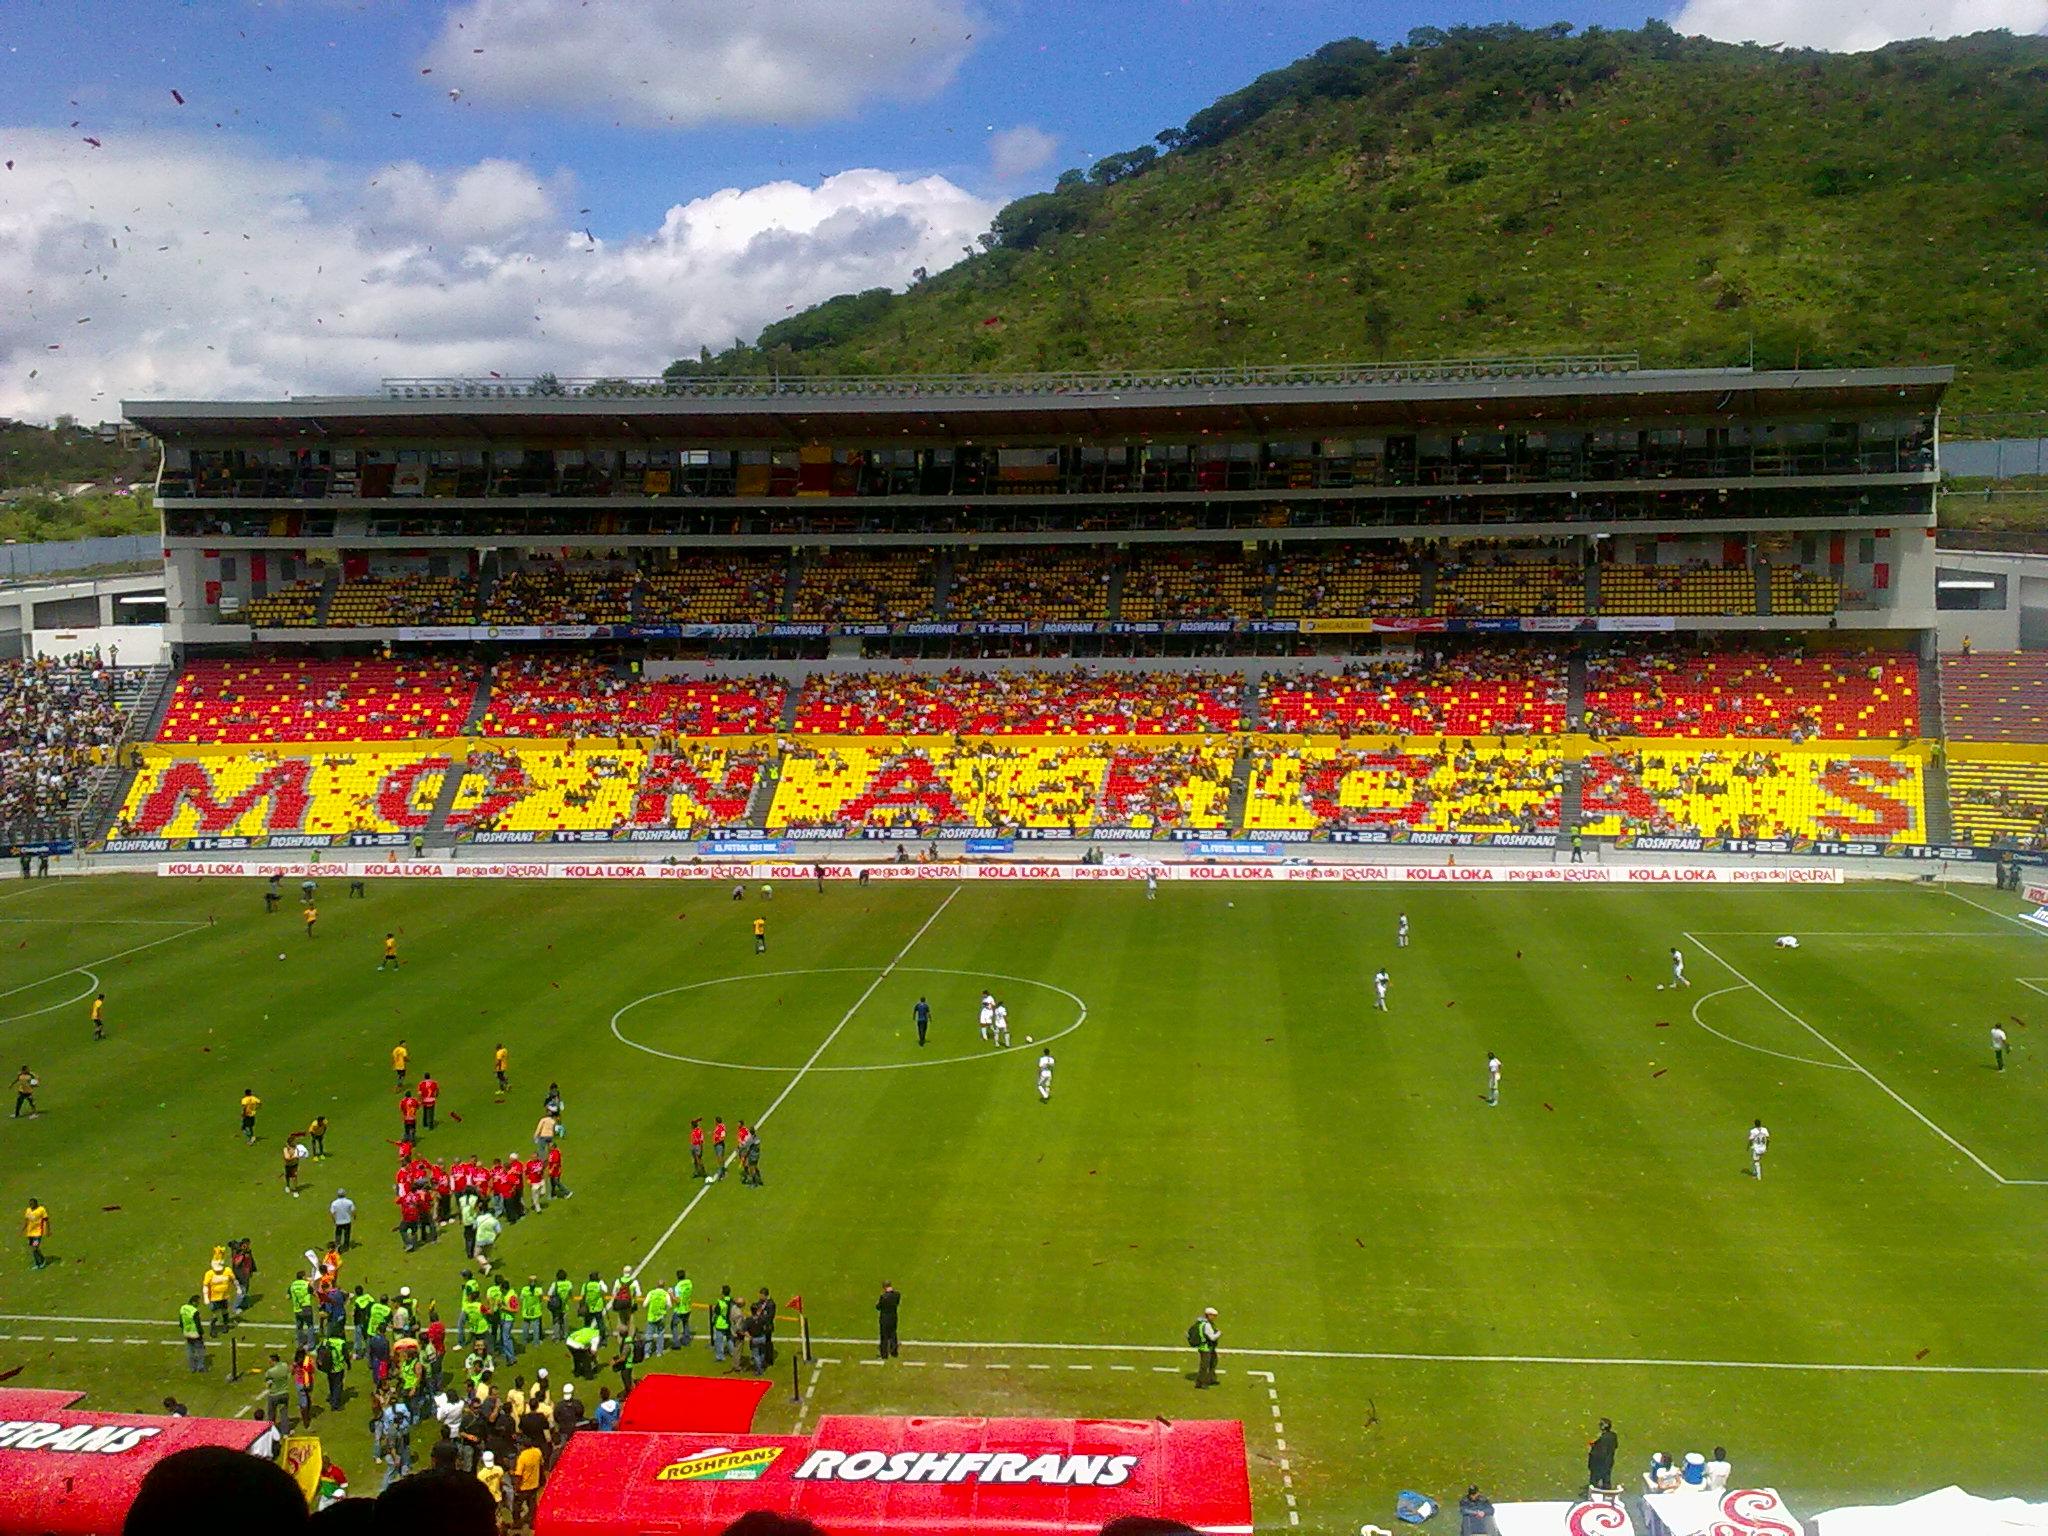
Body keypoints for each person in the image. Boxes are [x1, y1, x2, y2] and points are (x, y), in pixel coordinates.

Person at [1587, 1417, 1618, 1492]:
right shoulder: (1613, 1436)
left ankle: (1593, 1494)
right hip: (1609, 1462)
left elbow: (1598, 1453)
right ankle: (1607, 1495)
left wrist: (1592, 1451)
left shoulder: (1603, 1438)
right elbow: (1615, 1446)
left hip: (1599, 1464)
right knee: (1606, 1480)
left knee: (1594, 1482)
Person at [1192, 1307, 1219, 1388]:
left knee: (1213, 1362)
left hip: (1205, 1347)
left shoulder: (1202, 1323)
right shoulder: (1207, 1325)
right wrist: (1219, 1333)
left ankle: (1209, 1379)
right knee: (1205, 1366)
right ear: (1209, 1315)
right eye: (1213, 1315)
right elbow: (1212, 1337)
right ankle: (1201, 1383)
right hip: (1206, 1348)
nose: (1214, 1317)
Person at [180, 1294, 206, 1371]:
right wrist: (201, 1332)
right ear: (194, 1302)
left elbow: (181, 1321)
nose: (198, 1304)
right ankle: (200, 1367)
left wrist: (183, 1330)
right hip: (195, 1333)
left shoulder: (183, 1308)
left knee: (190, 1350)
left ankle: (192, 1367)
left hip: (187, 1332)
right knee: (200, 1350)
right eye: (198, 1302)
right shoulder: (194, 1311)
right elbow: (197, 1323)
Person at [876, 1282, 901, 1359]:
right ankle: (894, 1352)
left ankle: (884, 1354)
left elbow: (878, 1307)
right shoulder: (897, 1294)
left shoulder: (883, 1297)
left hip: (884, 1318)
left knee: (884, 1336)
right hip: (893, 1317)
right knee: (893, 1334)